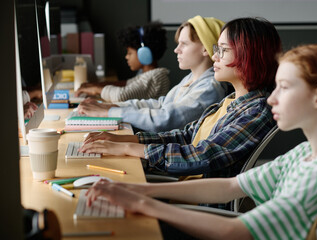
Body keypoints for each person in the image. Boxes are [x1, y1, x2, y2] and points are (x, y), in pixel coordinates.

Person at [84, 43, 317, 239]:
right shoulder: (306, 152)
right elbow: (230, 186)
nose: (272, 98)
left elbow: (234, 231)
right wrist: (140, 192)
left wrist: (144, 204)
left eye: (284, 88)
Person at [80, 18, 281, 189]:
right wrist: (123, 141)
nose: (214, 57)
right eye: (216, 49)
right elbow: (185, 136)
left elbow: (201, 155)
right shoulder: (229, 102)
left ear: (249, 57)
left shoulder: (256, 111)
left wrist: (129, 149)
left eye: (223, 50)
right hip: (185, 191)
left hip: (201, 207)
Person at [77, 15, 228, 132]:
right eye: (178, 44)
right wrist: (112, 106)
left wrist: (111, 111)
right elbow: (162, 104)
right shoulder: (191, 79)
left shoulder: (209, 88)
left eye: (184, 44)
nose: (176, 50)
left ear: (206, 48)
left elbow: (165, 119)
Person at [75, 21, 170, 102]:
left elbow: (122, 95)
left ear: (143, 53)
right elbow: (126, 84)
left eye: (129, 53)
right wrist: (95, 85)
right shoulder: (147, 74)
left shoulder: (156, 77)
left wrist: (95, 89)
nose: (126, 57)